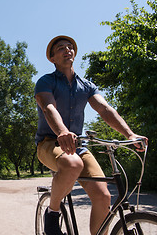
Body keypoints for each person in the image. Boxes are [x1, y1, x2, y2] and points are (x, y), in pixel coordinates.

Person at [34, 35, 148, 235]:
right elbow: (48, 107)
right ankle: (52, 214)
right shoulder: (45, 81)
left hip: (78, 145)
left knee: (103, 197)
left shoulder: (86, 85)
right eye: (61, 48)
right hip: (49, 143)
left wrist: (130, 134)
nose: (67, 50)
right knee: (73, 163)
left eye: (70, 47)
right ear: (52, 58)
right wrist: (62, 132)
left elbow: (104, 109)